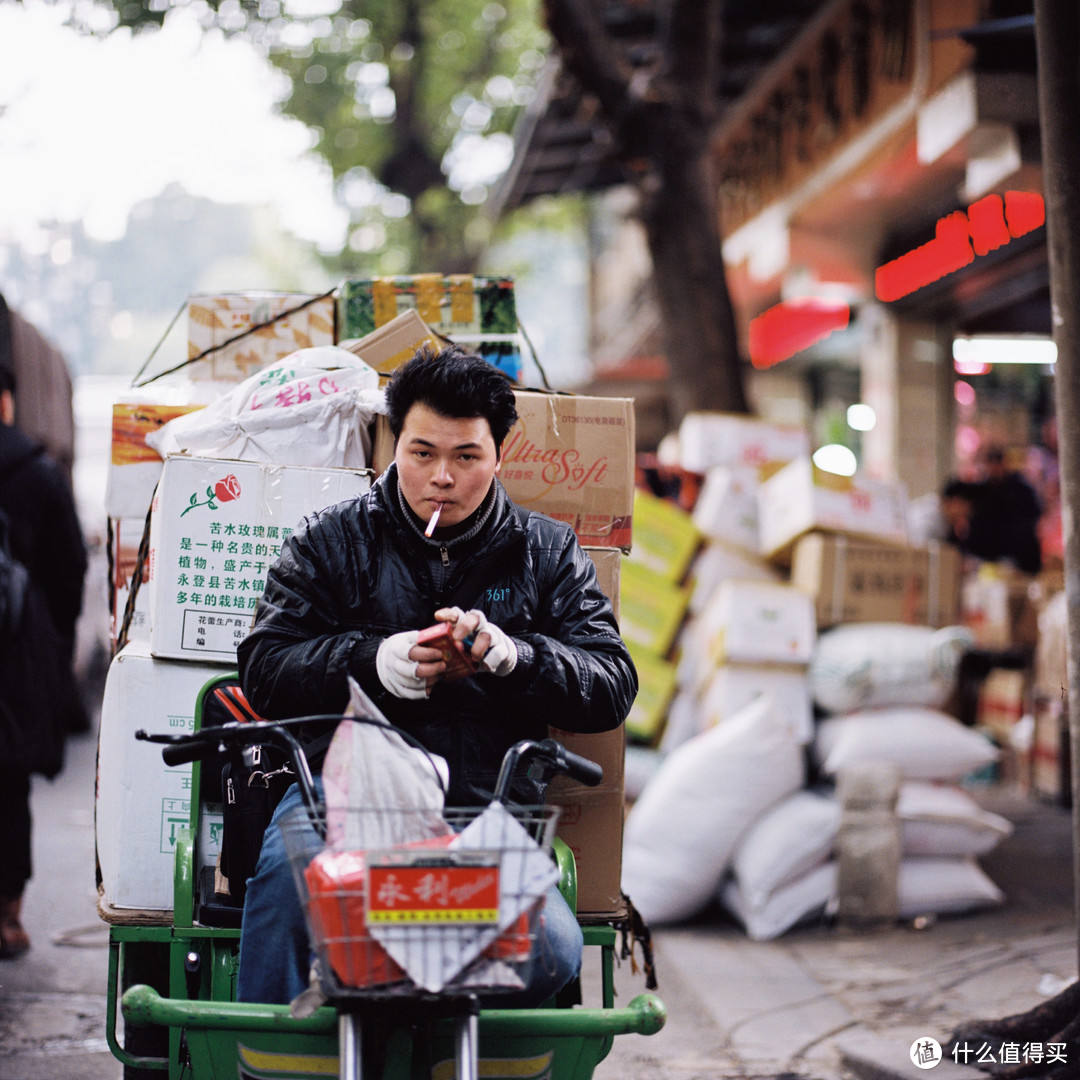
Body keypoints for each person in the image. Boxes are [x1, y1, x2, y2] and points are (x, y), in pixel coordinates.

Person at [235, 344, 637, 1005]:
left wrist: (517, 658)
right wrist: (371, 661)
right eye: (422, 453)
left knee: (553, 949)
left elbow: (611, 683)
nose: (441, 477)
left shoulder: (545, 551)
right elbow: (265, 667)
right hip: (341, 801)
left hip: (485, 807)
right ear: (394, 443)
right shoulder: (328, 540)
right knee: (286, 896)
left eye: (466, 457)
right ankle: (274, 1068)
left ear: (498, 456)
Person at [0, 364, 87, 957]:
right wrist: (51, 641)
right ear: (6, 401)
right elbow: (70, 568)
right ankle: (7, 917)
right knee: (7, 784)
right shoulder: (36, 471)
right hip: (12, 656)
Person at [965, 444, 1043, 575]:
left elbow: (1031, 520)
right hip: (987, 558)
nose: (994, 469)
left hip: (1019, 558)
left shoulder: (1021, 491)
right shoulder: (979, 492)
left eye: (998, 463)